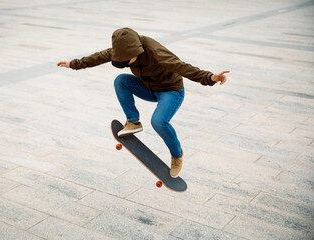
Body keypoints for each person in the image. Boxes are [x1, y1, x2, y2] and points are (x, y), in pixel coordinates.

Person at [57, 27, 229, 178]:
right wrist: (74, 64)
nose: (125, 65)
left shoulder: (155, 52)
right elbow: (100, 56)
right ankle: (133, 121)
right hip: (148, 88)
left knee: (158, 122)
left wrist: (210, 77)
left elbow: (181, 67)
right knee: (121, 80)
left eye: (127, 62)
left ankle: (177, 155)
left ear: (135, 53)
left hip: (170, 91)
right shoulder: (123, 48)